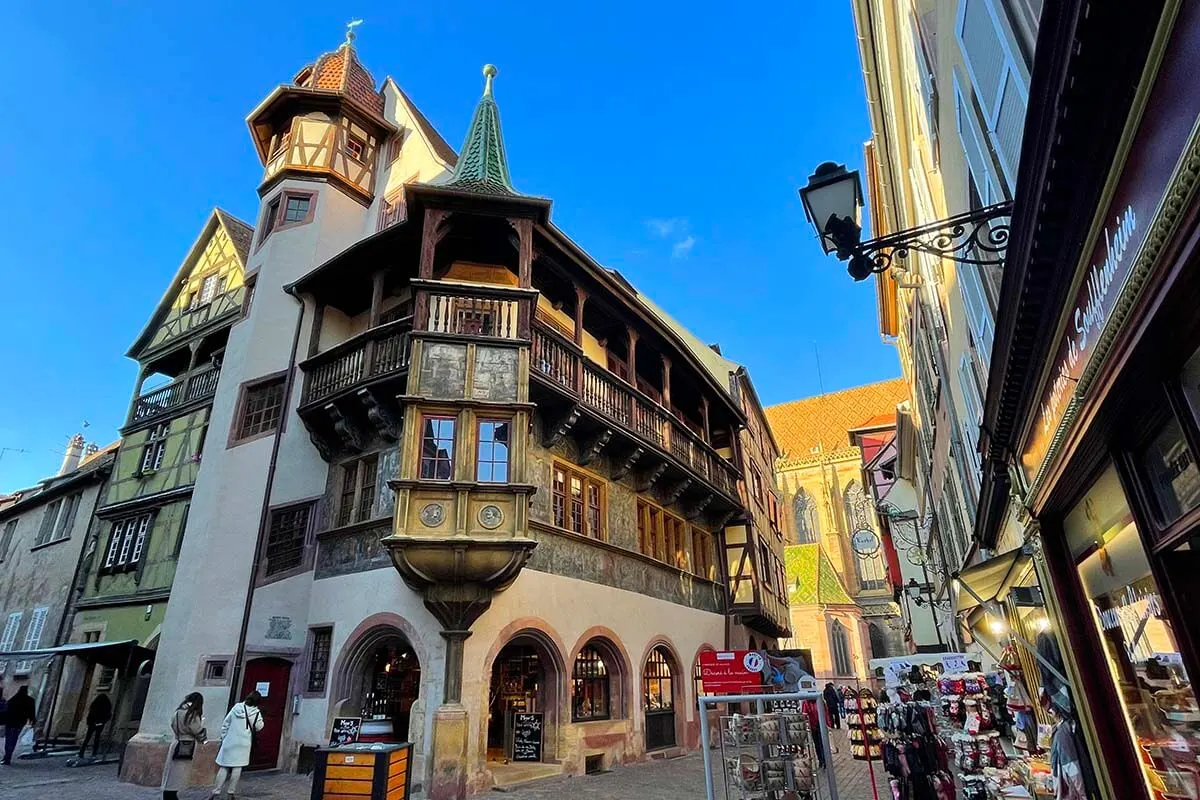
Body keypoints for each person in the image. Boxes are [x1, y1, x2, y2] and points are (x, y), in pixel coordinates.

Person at [212, 691, 263, 798]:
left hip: (230, 741)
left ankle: (216, 791)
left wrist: (223, 737)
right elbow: (259, 727)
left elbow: (226, 722)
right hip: (243, 743)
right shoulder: (256, 712)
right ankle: (230, 792)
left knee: (224, 767)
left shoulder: (236, 708)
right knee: (237, 768)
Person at [163, 693, 207, 800]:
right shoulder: (191, 714)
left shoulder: (178, 712)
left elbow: (172, 724)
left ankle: (169, 792)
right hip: (187, 744)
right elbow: (196, 729)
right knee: (179, 772)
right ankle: (171, 793)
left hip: (176, 741)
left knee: (172, 770)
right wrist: (203, 738)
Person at [2, 686, 36, 765]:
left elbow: (6, 711)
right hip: (19, 724)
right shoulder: (30, 700)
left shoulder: (13, 699)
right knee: (13, 740)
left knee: (8, 740)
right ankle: (8, 756)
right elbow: (32, 712)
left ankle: (7, 756)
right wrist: (32, 720)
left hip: (10, 723)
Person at [78, 692, 112, 759]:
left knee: (87, 738)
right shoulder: (106, 705)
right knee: (97, 738)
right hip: (100, 723)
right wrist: (103, 722)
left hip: (92, 723)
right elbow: (108, 715)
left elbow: (90, 714)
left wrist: (90, 722)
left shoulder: (95, 705)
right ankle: (94, 753)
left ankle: (81, 752)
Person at [801, 697, 827, 769]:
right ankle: (821, 760)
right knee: (818, 744)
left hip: (818, 725)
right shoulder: (806, 702)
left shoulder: (818, 701)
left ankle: (823, 760)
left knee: (821, 744)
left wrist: (828, 724)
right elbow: (804, 714)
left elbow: (825, 713)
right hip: (814, 726)